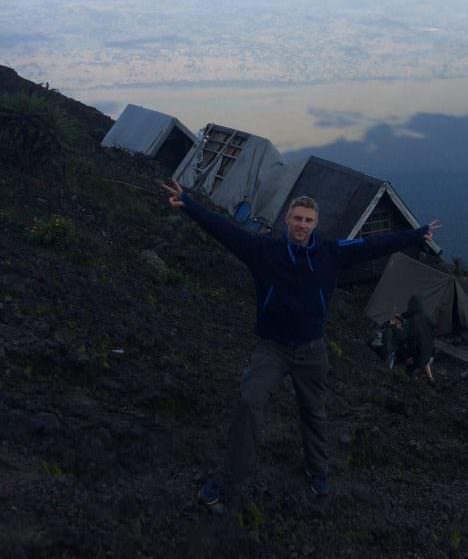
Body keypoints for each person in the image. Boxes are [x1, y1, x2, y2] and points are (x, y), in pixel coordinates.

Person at [161, 179, 439, 507]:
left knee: (314, 411)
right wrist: (190, 205)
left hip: (311, 349)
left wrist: (416, 234)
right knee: (249, 402)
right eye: (297, 218)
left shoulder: (331, 253)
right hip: (272, 347)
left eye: (308, 220)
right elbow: (226, 232)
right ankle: (229, 478)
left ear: (316, 223)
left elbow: (374, 244)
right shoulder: (264, 252)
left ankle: (317, 470)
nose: (302, 225)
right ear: (287, 220)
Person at [399, 295, 435, 382]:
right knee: (424, 362)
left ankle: (411, 377)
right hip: (429, 351)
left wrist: (399, 329)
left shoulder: (412, 321)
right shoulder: (426, 317)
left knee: (407, 360)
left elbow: (405, 337)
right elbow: (433, 328)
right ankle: (429, 378)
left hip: (417, 353)